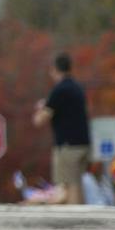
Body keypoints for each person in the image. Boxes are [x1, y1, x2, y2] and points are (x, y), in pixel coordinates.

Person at [31, 52, 89, 203]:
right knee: (77, 182)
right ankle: (82, 216)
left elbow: (40, 119)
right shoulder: (77, 88)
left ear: (55, 69)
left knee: (68, 185)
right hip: (83, 144)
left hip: (67, 146)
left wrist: (40, 108)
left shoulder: (59, 90)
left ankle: (73, 218)